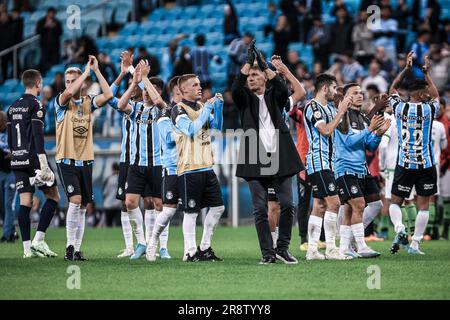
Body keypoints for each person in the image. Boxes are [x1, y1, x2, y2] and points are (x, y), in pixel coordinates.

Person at [232, 42, 303, 264]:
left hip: (280, 156)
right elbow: (235, 89)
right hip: (254, 156)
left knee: (288, 205)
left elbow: (283, 87)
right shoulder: (244, 99)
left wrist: (263, 63)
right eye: (249, 76)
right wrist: (247, 62)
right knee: (259, 208)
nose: (251, 78)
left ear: (264, 77)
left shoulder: (275, 96)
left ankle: (282, 248)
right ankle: (267, 253)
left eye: (256, 75)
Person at [55, 56, 113, 261]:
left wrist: (96, 71)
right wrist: (85, 74)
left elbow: (108, 94)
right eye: (67, 81)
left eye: (73, 80)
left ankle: (77, 249)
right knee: (76, 200)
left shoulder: (88, 102)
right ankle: (69, 246)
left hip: (86, 160)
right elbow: (69, 93)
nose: (69, 85)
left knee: (82, 206)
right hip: (66, 159)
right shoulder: (60, 102)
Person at [388, 52, 440, 255]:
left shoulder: (399, 107)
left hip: (404, 163)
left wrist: (406, 69)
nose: (428, 92)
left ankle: (400, 228)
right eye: (425, 90)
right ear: (420, 93)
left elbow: (392, 89)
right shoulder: (428, 110)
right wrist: (427, 74)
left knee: (395, 201)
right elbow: (436, 96)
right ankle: (415, 244)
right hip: (426, 164)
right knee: (424, 204)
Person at [171, 74, 225, 262]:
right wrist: (208, 108)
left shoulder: (202, 107)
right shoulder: (177, 110)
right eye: (195, 85)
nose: (199, 88)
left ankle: (204, 247)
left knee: (218, 207)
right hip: (189, 168)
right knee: (191, 212)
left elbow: (216, 128)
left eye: (199, 84)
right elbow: (191, 130)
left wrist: (218, 109)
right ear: (184, 90)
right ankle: (190, 251)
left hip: (206, 167)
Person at [7, 69, 60, 258]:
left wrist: (15, 156)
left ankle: (26, 250)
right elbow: (38, 135)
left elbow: (11, 139)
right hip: (35, 159)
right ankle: (39, 240)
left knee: (25, 202)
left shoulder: (12, 107)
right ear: (38, 83)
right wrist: (43, 163)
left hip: (18, 160)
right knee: (53, 197)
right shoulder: (36, 104)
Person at [117, 61, 167, 260]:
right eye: (144, 90)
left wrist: (145, 78)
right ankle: (141, 242)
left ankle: (159, 246)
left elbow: (161, 103)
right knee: (130, 202)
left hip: (157, 164)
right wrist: (135, 81)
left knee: (159, 205)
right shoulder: (135, 108)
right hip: (136, 164)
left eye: (150, 90)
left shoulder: (162, 110)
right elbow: (120, 105)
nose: (146, 92)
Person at [334, 86, 391, 259]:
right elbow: (348, 141)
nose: (359, 95)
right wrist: (369, 129)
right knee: (358, 205)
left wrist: (379, 134)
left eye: (360, 93)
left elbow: (369, 146)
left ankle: (345, 247)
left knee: (357, 208)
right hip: (345, 169)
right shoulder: (342, 117)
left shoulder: (362, 118)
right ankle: (361, 245)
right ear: (346, 98)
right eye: (355, 93)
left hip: (361, 170)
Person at [303, 73, 352, 260]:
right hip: (319, 161)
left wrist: (343, 110)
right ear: (324, 88)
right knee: (335, 203)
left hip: (329, 162)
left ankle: (312, 250)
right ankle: (332, 249)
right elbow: (325, 130)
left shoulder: (331, 109)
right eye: (333, 88)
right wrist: (339, 112)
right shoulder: (312, 107)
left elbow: (343, 130)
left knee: (320, 206)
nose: (335, 91)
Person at [146, 76, 182, 262]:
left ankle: (193, 250)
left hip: (192, 167)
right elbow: (168, 139)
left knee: (200, 210)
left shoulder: (193, 110)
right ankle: (156, 244)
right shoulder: (166, 113)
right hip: (172, 167)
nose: (181, 94)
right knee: (167, 209)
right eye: (177, 92)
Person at [0, 111, 17, 243]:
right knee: (2, 204)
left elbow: (18, 149)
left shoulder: (13, 131)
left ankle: (6, 235)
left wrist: (13, 154)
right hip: (1, 170)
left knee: (8, 203)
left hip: (12, 171)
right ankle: (13, 232)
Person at [36, 7, 63, 73]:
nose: (51, 15)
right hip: (45, 46)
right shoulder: (41, 21)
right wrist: (45, 26)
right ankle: (44, 75)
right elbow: (38, 31)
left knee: (54, 63)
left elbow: (60, 32)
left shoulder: (57, 22)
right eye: (50, 13)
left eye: (53, 14)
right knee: (44, 63)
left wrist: (54, 27)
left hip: (55, 47)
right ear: (47, 13)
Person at [103, 163, 122, 227]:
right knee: (118, 224)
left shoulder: (108, 178)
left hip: (108, 204)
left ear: (112, 169)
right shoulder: (121, 179)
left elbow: (105, 192)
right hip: (118, 204)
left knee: (109, 224)